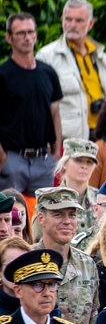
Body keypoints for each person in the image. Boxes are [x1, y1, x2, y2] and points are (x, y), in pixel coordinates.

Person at [0, 12, 63, 199]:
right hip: (11, 159)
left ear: (36, 35)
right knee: (9, 218)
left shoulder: (48, 73)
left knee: (43, 220)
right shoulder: (2, 74)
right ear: (9, 38)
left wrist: (56, 153)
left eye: (30, 32)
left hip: (43, 160)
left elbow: (55, 113)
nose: (27, 37)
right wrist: (2, 158)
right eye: (21, 33)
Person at [32, 186, 100, 324]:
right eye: (58, 214)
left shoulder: (88, 266)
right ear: (41, 218)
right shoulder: (27, 261)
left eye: (72, 214)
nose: (67, 221)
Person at [36, 0, 106, 147]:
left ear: (90, 24)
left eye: (79, 21)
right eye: (68, 19)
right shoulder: (47, 56)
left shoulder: (100, 55)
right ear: (62, 20)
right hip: (69, 141)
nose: (72, 25)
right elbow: (40, 106)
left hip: (102, 135)